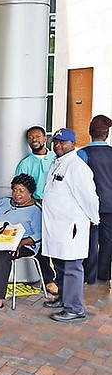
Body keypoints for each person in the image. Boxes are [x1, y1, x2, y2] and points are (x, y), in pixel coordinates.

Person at [42, 128, 99, 322]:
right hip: (57, 227)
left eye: (62, 142)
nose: (58, 145)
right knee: (59, 264)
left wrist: (94, 218)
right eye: (56, 142)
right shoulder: (57, 163)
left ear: (73, 144)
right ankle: (63, 298)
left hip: (70, 228)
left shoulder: (76, 166)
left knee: (72, 267)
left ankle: (75, 308)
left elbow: (89, 198)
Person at [0, 174, 43, 312]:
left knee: (3, 256)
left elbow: (40, 234)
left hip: (24, 244)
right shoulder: (4, 202)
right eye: (15, 190)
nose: (17, 194)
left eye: (21, 191)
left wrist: (22, 242)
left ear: (30, 192)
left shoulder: (35, 210)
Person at [15, 125, 58, 295]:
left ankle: (61, 277)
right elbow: (19, 187)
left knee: (57, 240)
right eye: (31, 138)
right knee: (39, 241)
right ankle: (48, 279)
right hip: (34, 207)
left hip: (54, 205)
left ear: (45, 138)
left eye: (38, 136)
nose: (35, 140)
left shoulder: (56, 159)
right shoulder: (25, 164)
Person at [78, 115, 112, 284]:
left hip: (88, 205)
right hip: (110, 205)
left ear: (90, 132)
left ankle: (89, 277)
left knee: (90, 240)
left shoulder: (82, 154)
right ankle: (104, 275)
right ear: (106, 134)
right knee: (107, 241)